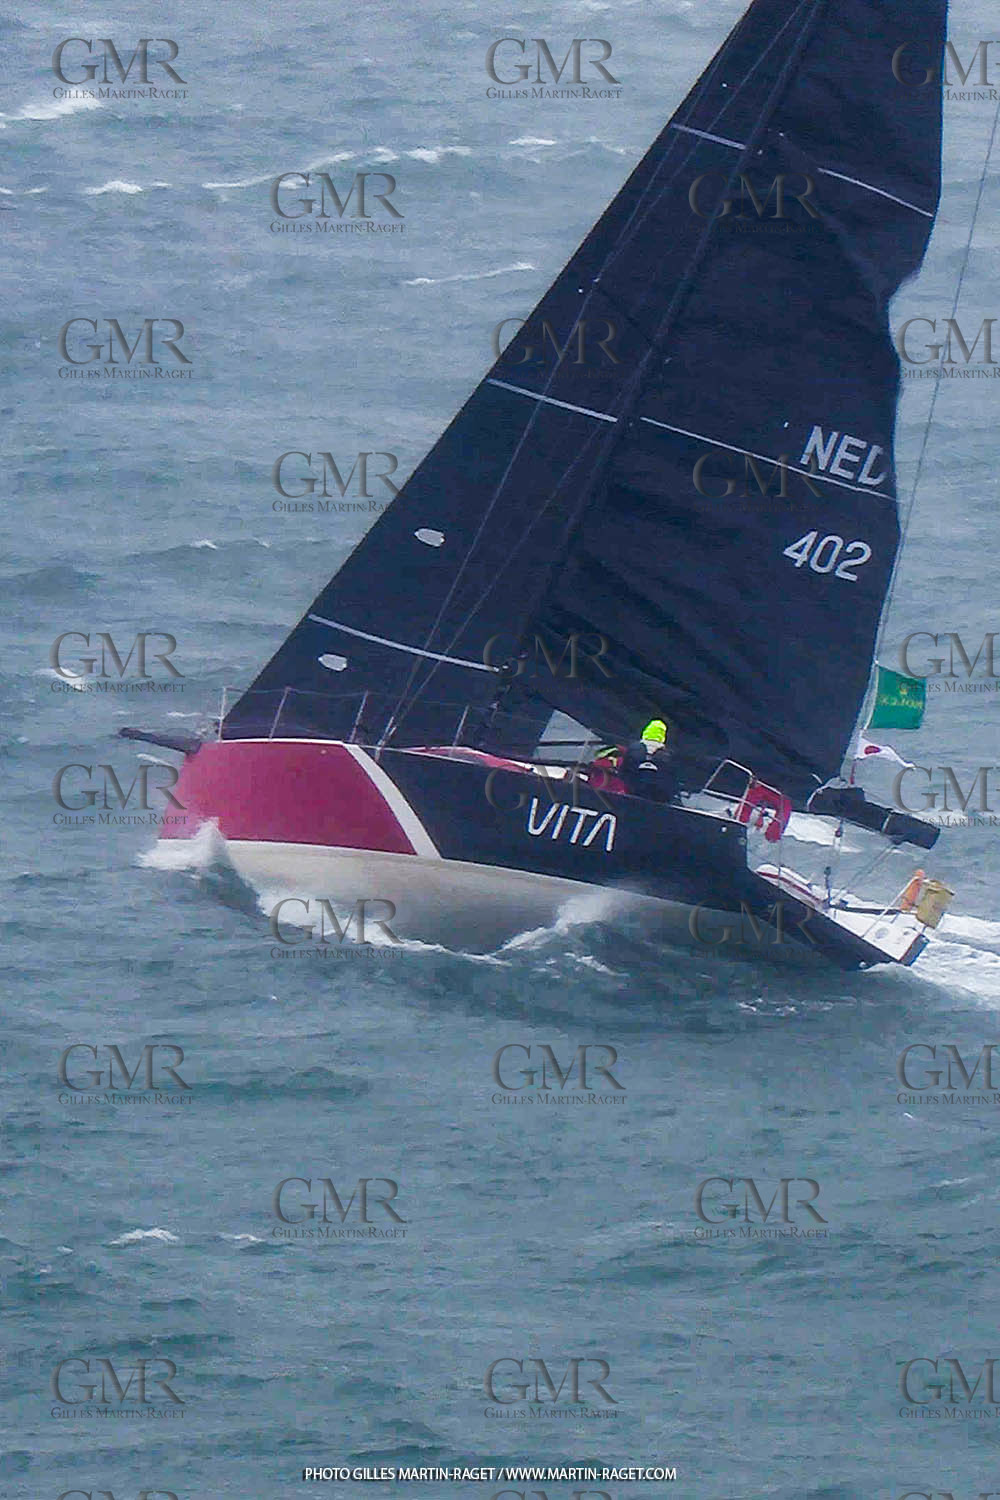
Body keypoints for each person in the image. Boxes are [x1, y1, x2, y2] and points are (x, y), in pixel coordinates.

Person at [618, 718, 680, 803]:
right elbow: (672, 783)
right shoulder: (667, 755)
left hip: (631, 797)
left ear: (645, 732)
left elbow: (623, 773)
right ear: (663, 736)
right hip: (656, 802)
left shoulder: (633, 749)